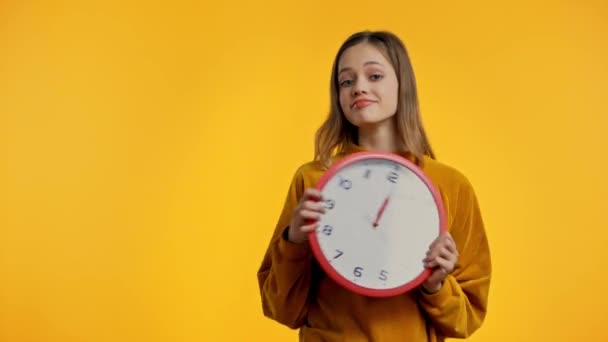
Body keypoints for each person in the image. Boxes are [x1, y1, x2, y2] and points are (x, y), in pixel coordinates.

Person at [257, 30, 492, 341]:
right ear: (338, 96)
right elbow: (281, 309)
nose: (359, 88)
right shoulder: (313, 181)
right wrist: (295, 239)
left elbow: (465, 321)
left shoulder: (450, 185)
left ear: (402, 85)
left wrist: (435, 284)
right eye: (346, 81)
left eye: (375, 75)